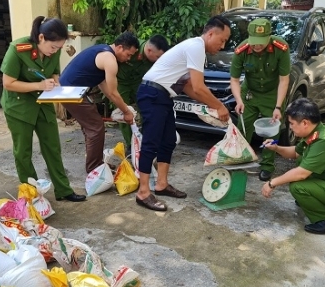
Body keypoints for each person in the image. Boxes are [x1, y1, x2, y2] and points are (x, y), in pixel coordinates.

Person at [134, 16, 232, 211]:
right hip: (152, 93)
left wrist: (210, 106)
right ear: (210, 34)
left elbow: (188, 87)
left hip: (162, 96)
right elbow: (198, 86)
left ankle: (161, 184)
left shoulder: (196, 50)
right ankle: (143, 192)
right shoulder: (196, 46)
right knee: (151, 143)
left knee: (169, 140)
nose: (222, 46)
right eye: (222, 40)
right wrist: (219, 105)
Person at [0, 16, 85, 202]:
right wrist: (39, 85)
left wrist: (55, 83)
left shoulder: (53, 51)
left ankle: (63, 190)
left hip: (43, 104)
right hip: (19, 107)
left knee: (53, 147)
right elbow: (8, 83)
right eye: (53, 47)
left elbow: (54, 73)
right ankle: (31, 195)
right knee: (23, 152)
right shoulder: (18, 49)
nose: (55, 51)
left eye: (58, 49)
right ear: (41, 38)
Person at [260, 98, 325, 235]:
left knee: (297, 186)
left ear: (305, 123)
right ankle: (312, 200)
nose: (290, 127)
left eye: (292, 123)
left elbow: (301, 174)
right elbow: (295, 153)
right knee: (301, 166)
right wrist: (275, 148)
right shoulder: (316, 132)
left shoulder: (324, 141)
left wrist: (272, 183)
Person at [59, 32, 137, 174]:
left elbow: (106, 89)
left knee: (92, 127)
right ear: (120, 47)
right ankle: (94, 168)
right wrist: (126, 112)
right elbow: (113, 92)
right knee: (95, 128)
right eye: (128, 54)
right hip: (70, 92)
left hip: (71, 91)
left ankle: (96, 163)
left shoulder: (103, 51)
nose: (128, 59)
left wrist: (124, 108)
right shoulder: (109, 59)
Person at [230, 18, 291, 182]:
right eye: (254, 43)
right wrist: (238, 100)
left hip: (272, 94)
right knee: (242, 128)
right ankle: (239, 161)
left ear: (269, 37)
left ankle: (267, 166)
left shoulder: (281, 48)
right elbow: (234, 80)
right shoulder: (242, 50)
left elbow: (284, 80)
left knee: (271, 132)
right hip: (249, 94)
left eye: (261, 43)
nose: (257, 46)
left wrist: (278, 107)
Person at [112, 35, 170, 147]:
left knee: (147, 108)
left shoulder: (154, 58)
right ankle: (131, 145)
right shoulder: (131, 47)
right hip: (121, 82)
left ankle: (145, 140)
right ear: (149, 50)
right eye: (158, 57)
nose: (159, 60)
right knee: (124, 111)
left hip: (139, 82)